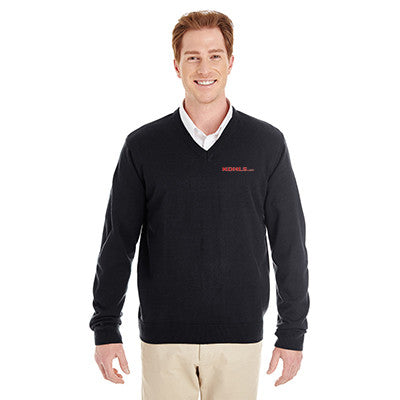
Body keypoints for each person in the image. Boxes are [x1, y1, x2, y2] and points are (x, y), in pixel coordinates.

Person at [89, 9, 310, 399]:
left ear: (230, 62)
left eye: (214, 55)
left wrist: (292, 332)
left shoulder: (266, 144)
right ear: (176, 65)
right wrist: (106, 327)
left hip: (239, 340)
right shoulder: (143, 146)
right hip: (163, 341)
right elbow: (118, 242)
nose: (204, 68)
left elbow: (289, 243)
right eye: (192, 57)